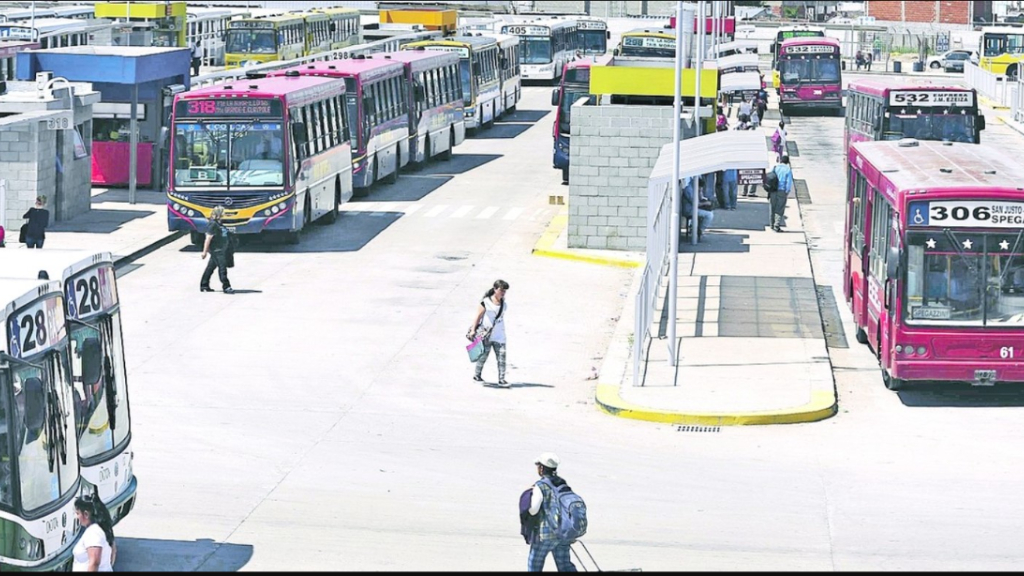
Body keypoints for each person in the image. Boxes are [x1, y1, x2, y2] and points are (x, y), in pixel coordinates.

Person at [526, 452, 577, 572]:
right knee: (565, 565)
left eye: (538, 465)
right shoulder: (562, 483)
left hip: (546, 534)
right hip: (564, 533)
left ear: (542, 468)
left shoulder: (540, 486)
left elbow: (533, 510)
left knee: (534, 564)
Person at [467, 280, 510, 387]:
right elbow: (478, 317)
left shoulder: (504, 304)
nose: (503, 293)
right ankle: (477, 376)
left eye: (505, 291)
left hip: (500, 335)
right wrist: (473, 330)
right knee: (483, 356)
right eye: (501, 290)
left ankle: (502, 379)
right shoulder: (485, 302)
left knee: (502, 357)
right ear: (495, 289)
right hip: (486, 335)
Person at [72, 494, 116, 572]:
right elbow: (113, 553)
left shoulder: (93, 533)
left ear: (86, 514)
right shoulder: (100, 530)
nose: (76, 517)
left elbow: (94, 562)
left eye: (77, 513)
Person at [200, 206, 234, 294]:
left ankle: (204, 285)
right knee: (222, 268)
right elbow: (208, 238)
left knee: (210, 268)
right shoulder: (213, 224)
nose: (224, 214)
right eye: (222, 212)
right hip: (217, 250)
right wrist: (204, 252)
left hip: (221, 249)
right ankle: (226, 286)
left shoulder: (219, 223)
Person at [682, 176, 714, 240]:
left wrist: (700, 192)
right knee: (709, 215)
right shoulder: (689, 190)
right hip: (689, 210)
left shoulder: (693, 188)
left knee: (710, 211)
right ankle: (700, 230)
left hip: (692, 208)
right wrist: (706, 203)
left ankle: (697, 229)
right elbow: (696, 203)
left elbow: (699, 199)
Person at [769, 155, 794, 233]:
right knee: (779, 208)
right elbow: (789, 182)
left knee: (772, 207)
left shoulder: (775, 168)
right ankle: (776, 225)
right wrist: (787, 191)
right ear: (787, 162)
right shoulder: (788, 170)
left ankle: (772, 224)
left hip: (773, 190)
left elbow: (770, 177)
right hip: (781, 191)